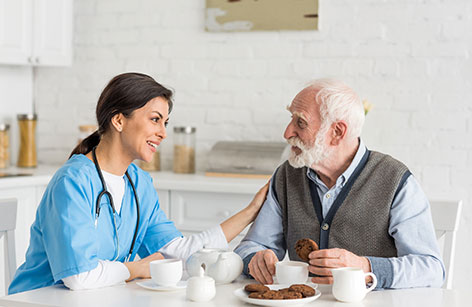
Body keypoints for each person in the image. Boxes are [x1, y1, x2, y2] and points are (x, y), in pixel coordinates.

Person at [8, 73, 268, 294]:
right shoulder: (73, 182)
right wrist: (135, 269)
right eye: (155, 119)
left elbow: (178, 251)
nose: (163, 133)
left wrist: (250, 212)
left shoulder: (138, 183)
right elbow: (79, 277)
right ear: (119, 120)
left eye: (165, 123)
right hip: (36, 299)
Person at [234, 79, 445, 289]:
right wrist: (255, 259)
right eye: (291, 119)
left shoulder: (395, 180)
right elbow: (251, 246)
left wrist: (365, 267)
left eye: (301, 122)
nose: (287, 133)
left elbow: (431, 268)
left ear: (337, 132)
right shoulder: (287, 176)